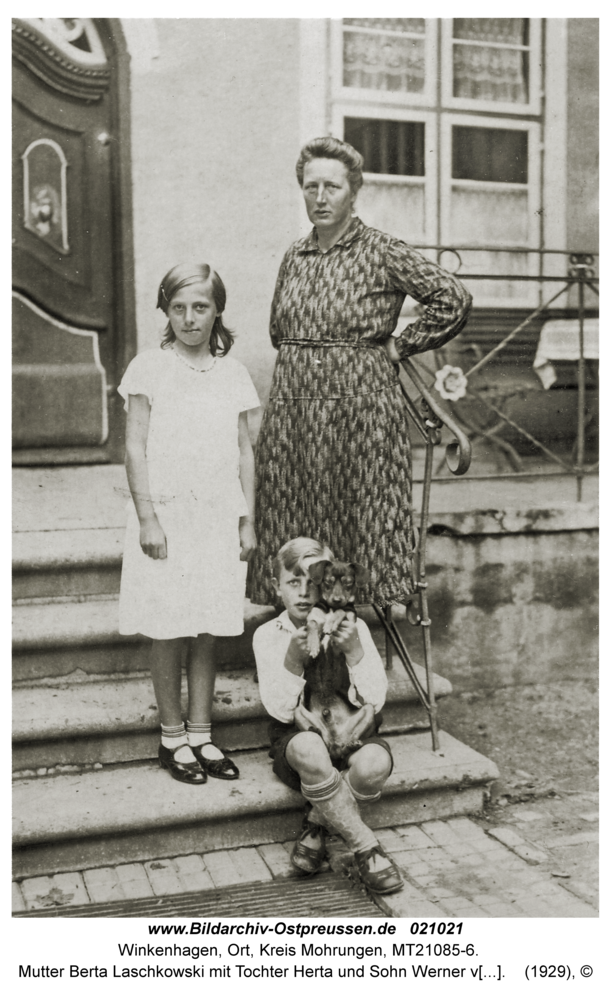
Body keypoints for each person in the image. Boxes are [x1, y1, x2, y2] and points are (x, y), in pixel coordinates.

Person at [248, 136, 472, 609]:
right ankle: (305, 649)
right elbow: (278, 329)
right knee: (295, 516)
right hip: (295, 411)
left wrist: (401, 345)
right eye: (311, 187)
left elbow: (452, 298)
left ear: (354, 191)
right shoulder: (295, 256)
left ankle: (344, 649)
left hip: (359, 409)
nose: (321, 197)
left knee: (356, 517)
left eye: (332, 186)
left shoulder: (380, 251)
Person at [118, 262, 260, 784]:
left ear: (217, 309)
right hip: (169, 519)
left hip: (217, 516)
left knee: (207, 628)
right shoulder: (149, 368)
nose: (189, 317)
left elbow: (245, 452)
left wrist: (247, 521)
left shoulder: (233, 372)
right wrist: (148, 518)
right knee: (169, 626)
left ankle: (202, 734)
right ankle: (171, 738)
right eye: (178, 307)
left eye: (200, 307)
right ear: (166, 311)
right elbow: (135, 447)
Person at [253, 537, 404, 895]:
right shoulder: (268, 635)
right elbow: (278, 709)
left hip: (351, 729)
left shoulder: (356, 627)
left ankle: (317, 823)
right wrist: (292, 659)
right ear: (277, 587)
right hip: (302, 740)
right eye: (293, 582)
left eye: (313, 582)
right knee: (308, 748)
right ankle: (366, 847)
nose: (305, 593)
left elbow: (375, 701)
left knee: (375, 764)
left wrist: (354, 652)